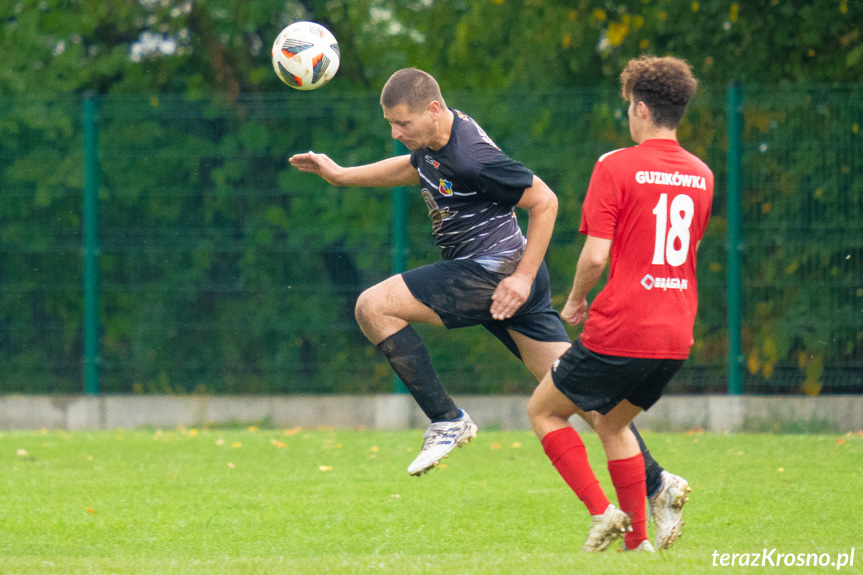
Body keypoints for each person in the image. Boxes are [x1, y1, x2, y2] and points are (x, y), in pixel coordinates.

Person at [288, 70, 687, 539]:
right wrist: (341, 176)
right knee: (585, 402)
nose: (395, 134)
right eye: (391, 125)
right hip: (510, 277)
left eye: (402, 123)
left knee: (373, 306)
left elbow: (546, 201)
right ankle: (659, 483)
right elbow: (415, 165)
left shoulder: (472, 156)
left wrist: (519, 277)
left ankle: (447, 420)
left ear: (433, 110)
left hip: (494, 272)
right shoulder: (437, 140)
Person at [527, 55, 712, 553]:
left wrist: (576, 300)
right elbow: (688, 253)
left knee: (543, 411)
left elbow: (596, 254)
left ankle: (601, 513)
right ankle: (638, 546)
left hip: (623, 326)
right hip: (675, 335)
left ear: (643, 109)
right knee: (612, 422)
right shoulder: (702, 174)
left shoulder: (616, 165)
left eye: (629, 106)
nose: (628, 114)